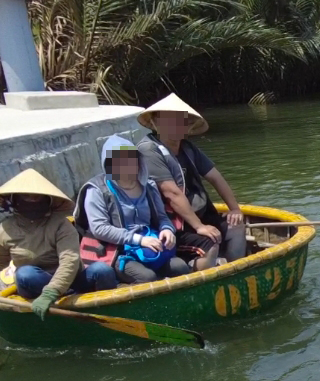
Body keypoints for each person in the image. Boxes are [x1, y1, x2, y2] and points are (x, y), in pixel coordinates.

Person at [136, 94, 245, 271]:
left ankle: (234, 270)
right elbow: (172, 193)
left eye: (182, 121)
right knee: (210, 245)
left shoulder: (187, 148)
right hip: (172, 227)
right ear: (156, 122)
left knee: (237, 227)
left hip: (199, 216)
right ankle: (199, 272)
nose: (177, 126)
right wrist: (200, 227)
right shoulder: (149, 150)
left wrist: (234, 209)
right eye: (170, 120)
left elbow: (215, 177)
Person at [79, 136, 189, 289]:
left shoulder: (149, 185)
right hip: (118, 251)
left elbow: (162, 217)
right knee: (147, 277)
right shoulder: (97, 190)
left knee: (180, 267)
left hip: (151, 246)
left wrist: (167, 229)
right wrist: (139, 240)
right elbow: (99, 228)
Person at [0, 169, 93, 318]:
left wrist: (52, 291)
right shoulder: (5, 229)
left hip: (68, 280)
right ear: (15, 199)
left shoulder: (61, 225)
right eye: (26, 196)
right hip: (33, 283)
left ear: (47, 200)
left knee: (102, 271)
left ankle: (76, 298)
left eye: (37, 197)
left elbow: (70, 259)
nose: (31, 201)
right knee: (25, 274)